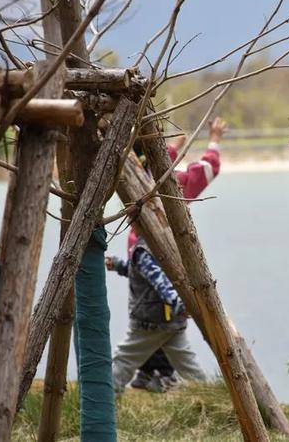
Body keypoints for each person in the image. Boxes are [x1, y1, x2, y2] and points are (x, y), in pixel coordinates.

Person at [109, 118, 227, 392]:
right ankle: (163, 377)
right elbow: (208, 168)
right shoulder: (176, 184)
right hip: (168, 278)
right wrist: (214, 139)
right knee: (178, 353)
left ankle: (145, 377)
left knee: (133, 349)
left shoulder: (132, 182)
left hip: (151, 295)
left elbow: (154, 275)